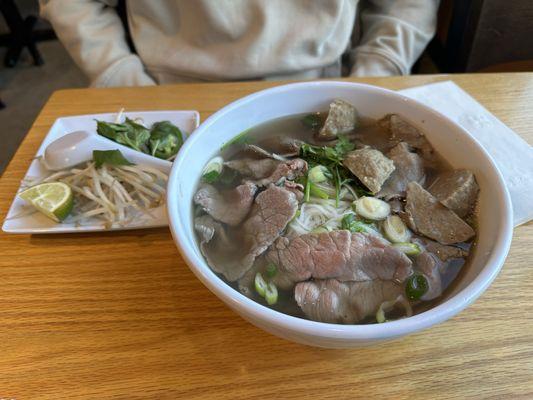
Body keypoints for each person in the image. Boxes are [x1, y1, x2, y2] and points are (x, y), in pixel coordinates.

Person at [40, 0, 439, 87]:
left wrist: (373, 77)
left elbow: (407, 4)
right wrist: (118, 74)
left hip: (326, 80)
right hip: (168, 89)